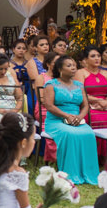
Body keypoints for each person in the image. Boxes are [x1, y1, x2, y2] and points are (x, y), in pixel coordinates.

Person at [42, 55, 100, 185]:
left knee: (89, 133)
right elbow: (49, 106)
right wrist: (66, 116)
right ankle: (70, 174)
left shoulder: (79, 85)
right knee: (70, 134)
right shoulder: (51, 84)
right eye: (69, 65)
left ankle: (89, 173)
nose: (73, 68)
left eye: (74, 65)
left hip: (77, 119)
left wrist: (80, 117)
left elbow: (85, 105)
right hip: (56, 121)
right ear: (60, 69)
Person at [75, 45, 107, 131]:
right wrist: (99, 101)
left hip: (105, 107)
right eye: (93, 56)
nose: (97, 58)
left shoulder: (106, 73)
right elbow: (80, 93)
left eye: (98, 56)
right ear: (85, 59)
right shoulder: (80, 73)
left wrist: (106, 103)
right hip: (88, 107)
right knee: (97, 121)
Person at [9, 39, 39, 116]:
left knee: (31, 103)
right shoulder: (8, 64)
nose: (21, 50)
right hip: (13, 89)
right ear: (13, 49)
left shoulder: (29, 63)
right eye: (19, 48)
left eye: (23, 48)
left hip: (28, 88)